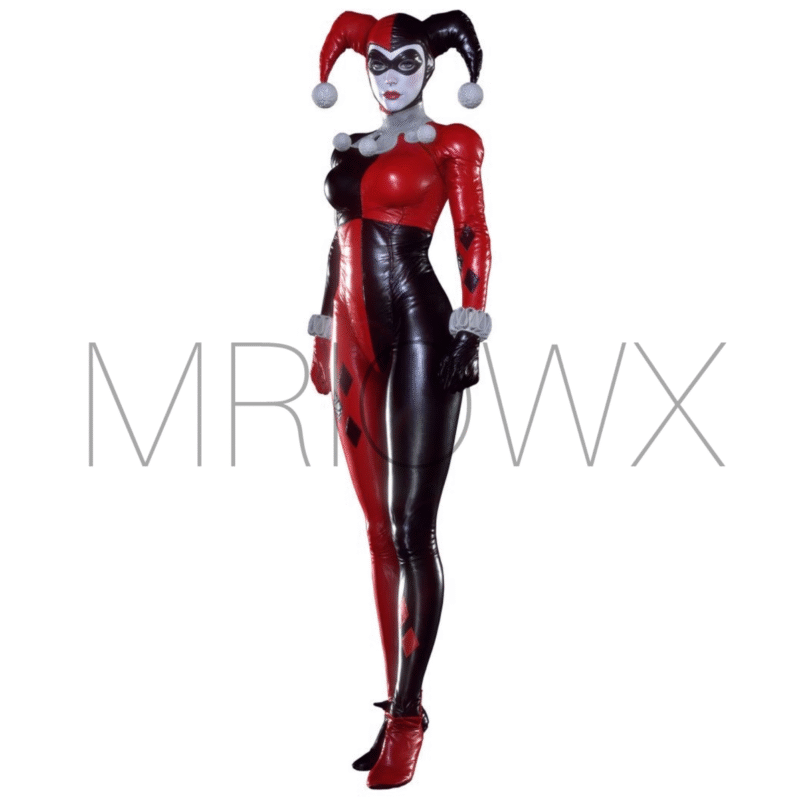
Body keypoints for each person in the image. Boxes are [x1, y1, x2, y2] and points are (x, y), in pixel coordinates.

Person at [307, 11, 492, 789]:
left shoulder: (452, 143)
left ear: (431, 66)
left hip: (421, 332)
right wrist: (323, 332)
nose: (389, 77)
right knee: (377, 530)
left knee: (414, 530)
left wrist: (470, 327)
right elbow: (337, 242)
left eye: (405, 62)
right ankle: (390, 704)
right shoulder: (352, 147)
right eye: (377, 64)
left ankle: (410, 718)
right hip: (354, 338)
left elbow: (473, 233)